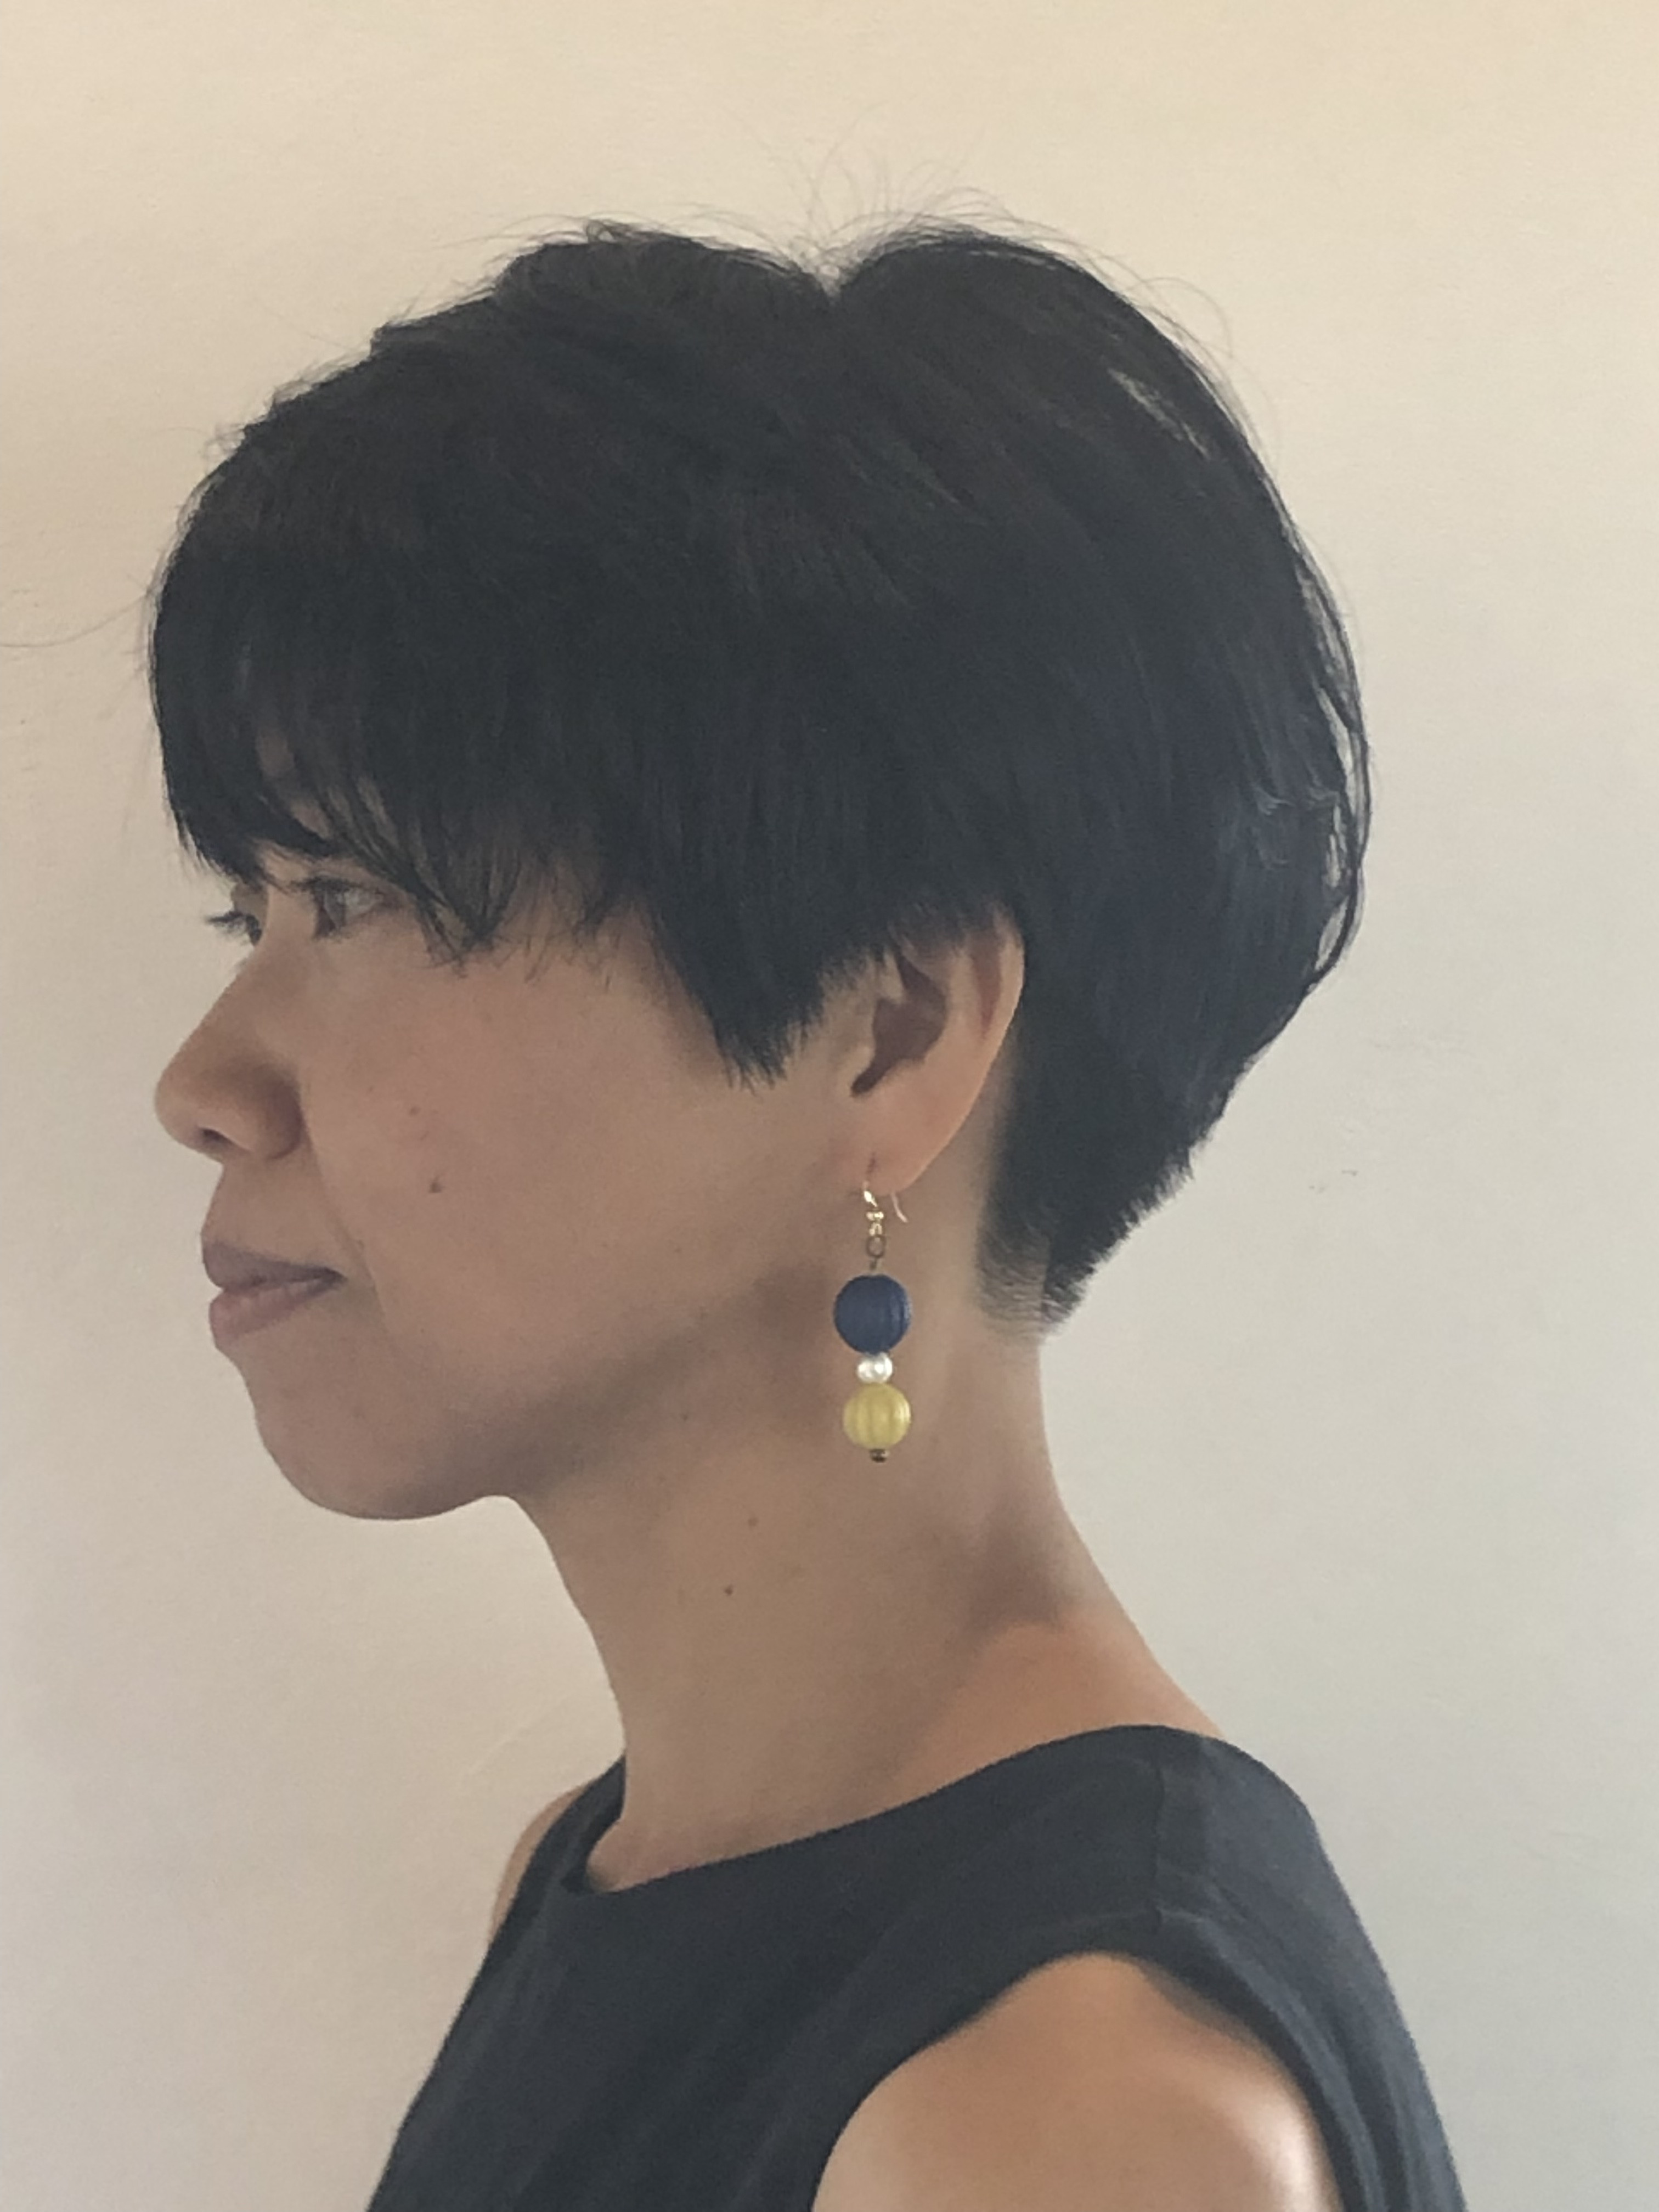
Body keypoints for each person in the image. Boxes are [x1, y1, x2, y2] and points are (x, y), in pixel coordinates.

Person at [149, 216, 1466, 2211]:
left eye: (355, 899)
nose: (205, 1082)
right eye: (247, 914)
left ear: (887, 1034)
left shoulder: (1064, 2118)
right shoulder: (602, 1871)